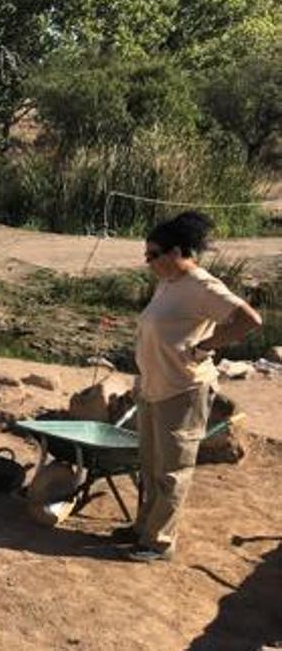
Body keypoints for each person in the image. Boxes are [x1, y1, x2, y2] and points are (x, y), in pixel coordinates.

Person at [118, 211, 261, 563]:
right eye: (147, 255)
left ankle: (159, 543)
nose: (148, 262)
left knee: (172, 469)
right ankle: (143, 529)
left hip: (182, 390)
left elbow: (248, 320)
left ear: (177, 252)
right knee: (151, 465)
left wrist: (207, 346)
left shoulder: (202, 285)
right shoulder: (169, 282)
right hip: (155, 386)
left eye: (154, 255)